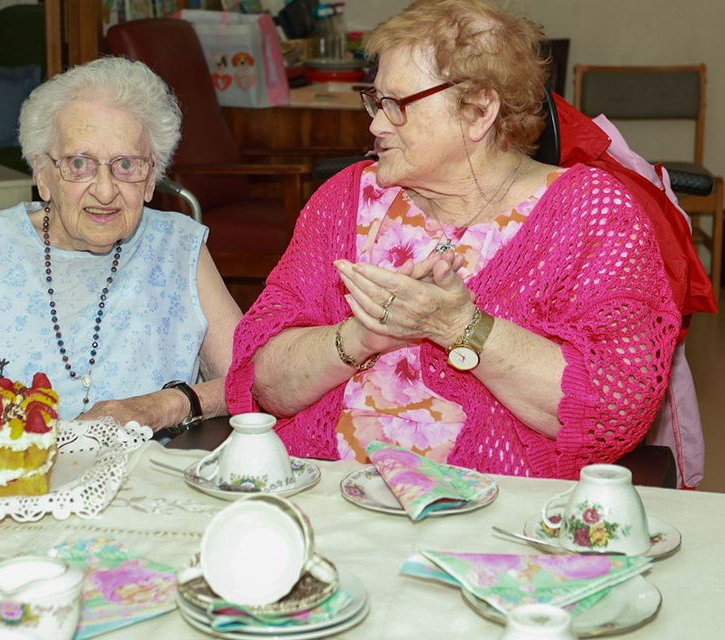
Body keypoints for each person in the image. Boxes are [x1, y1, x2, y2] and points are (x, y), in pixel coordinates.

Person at [225, 0, 680, 479]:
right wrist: (361, 336)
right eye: (375, 101)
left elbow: (613, 414)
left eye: (397, 105)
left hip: (495, 511)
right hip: (327, 487)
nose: (377, 124)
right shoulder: (343, 201)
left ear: (478, 110)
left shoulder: (593, 215)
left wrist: (462, 326)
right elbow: (262, 383)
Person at [0, 57, 242, 434]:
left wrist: (163, 405)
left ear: (151, 179)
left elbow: (252, 380)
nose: (104, 189)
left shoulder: (180, 249)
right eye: (80, 163)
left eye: (126, 165)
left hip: (146, 480)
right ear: (43, 175)